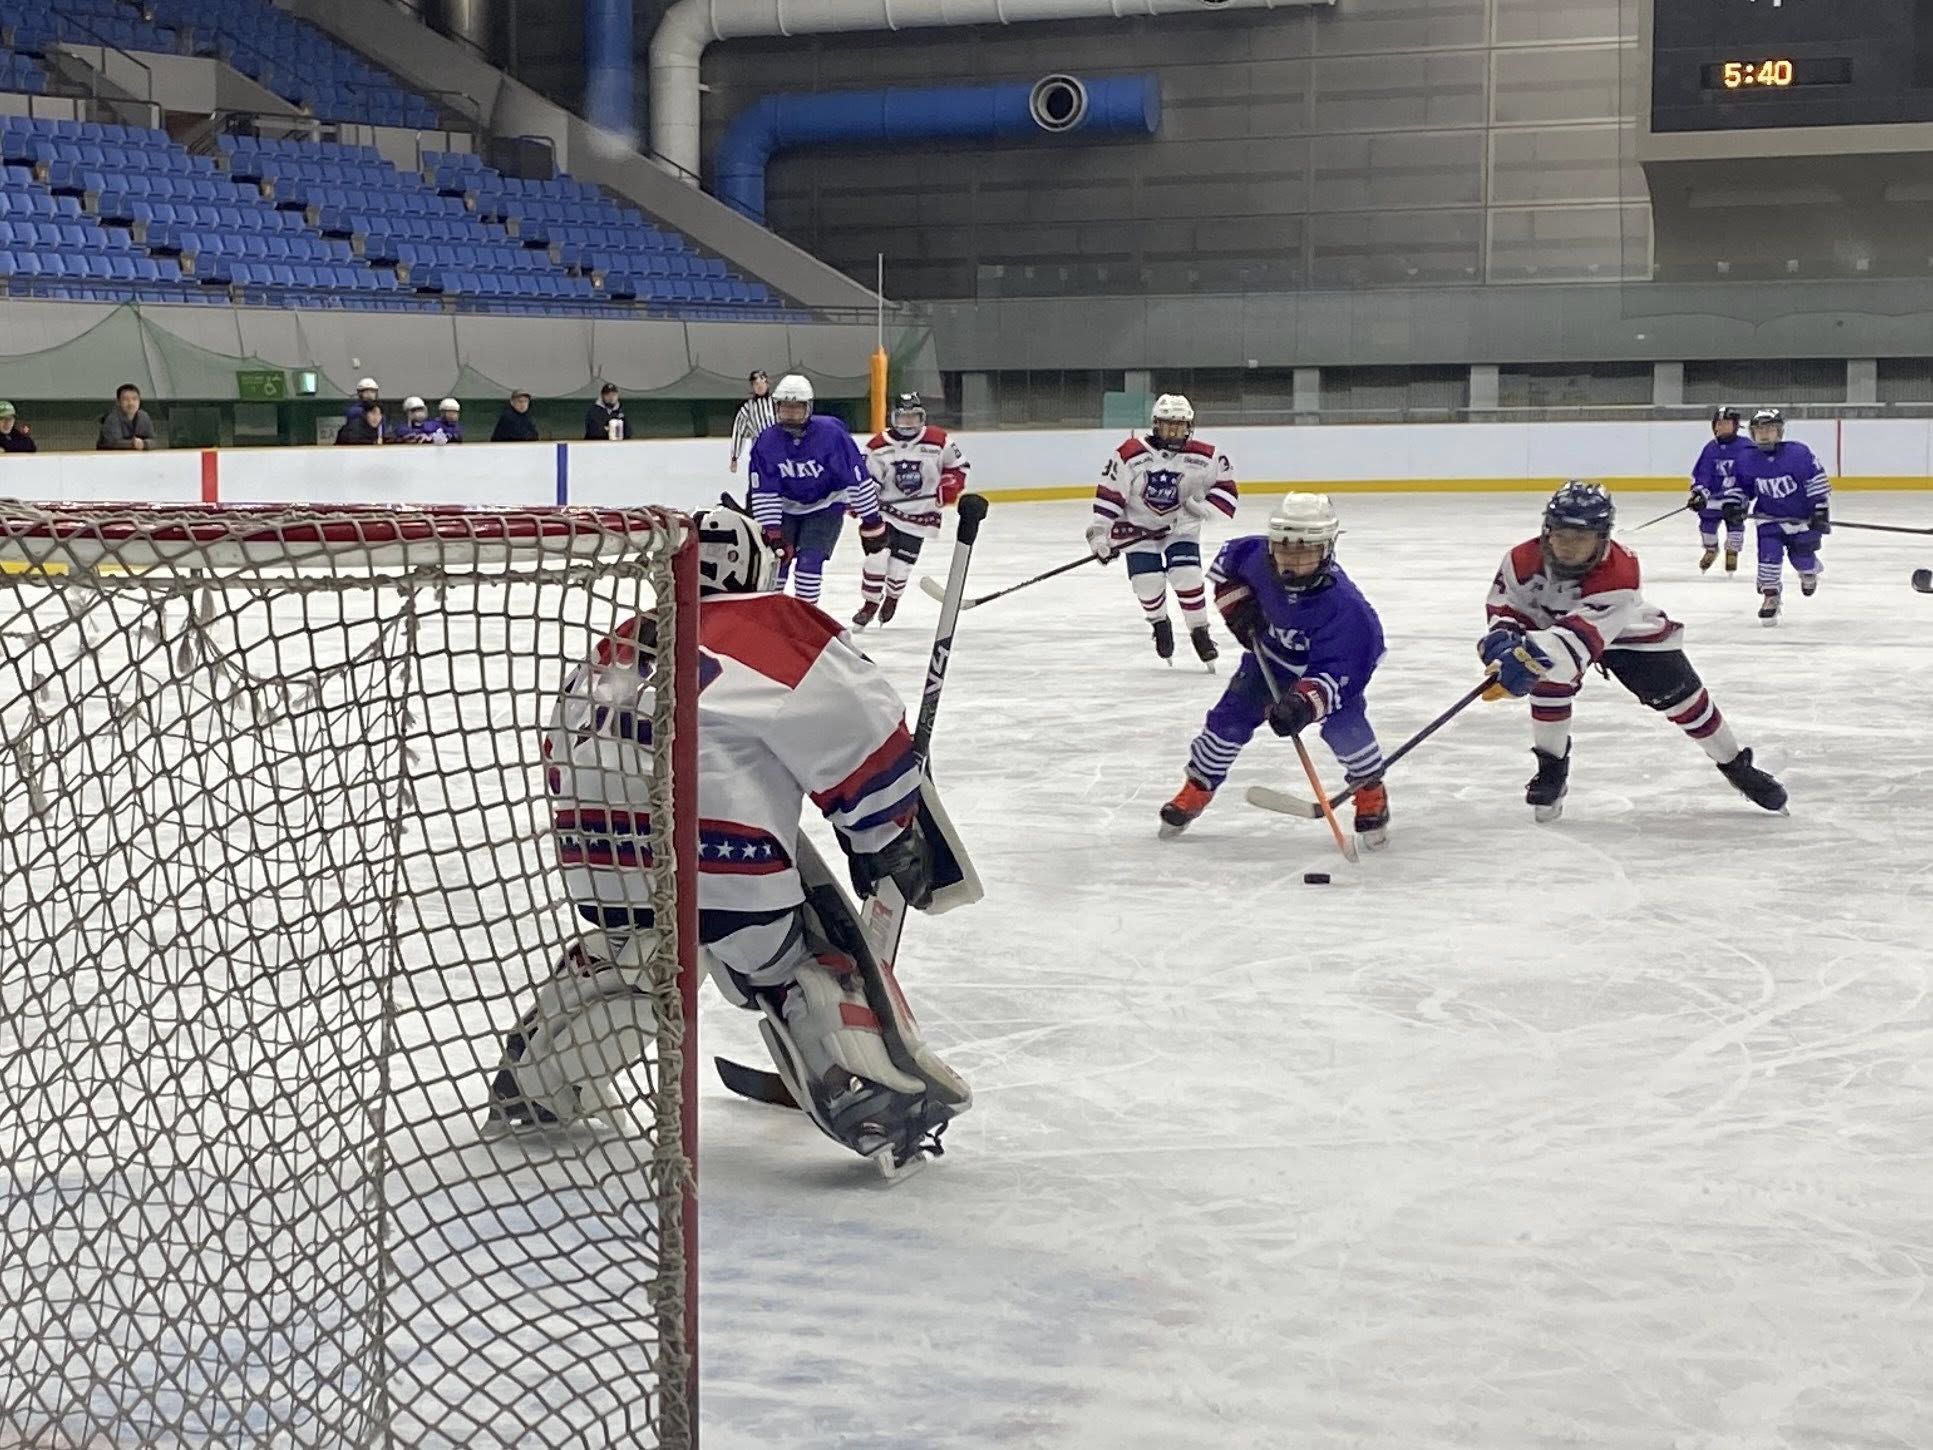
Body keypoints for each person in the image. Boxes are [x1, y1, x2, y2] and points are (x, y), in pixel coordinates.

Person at [487, 507, 978, 1174]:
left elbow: (563, 746)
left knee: (640, 953)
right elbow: (857, 730)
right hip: (720, 859)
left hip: (596, 852)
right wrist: (884, 834)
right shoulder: (773, 622)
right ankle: (873, 1102)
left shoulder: (619, 642)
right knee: (795, 961)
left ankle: (540, 1085)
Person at [1479, 481, 1787, 819]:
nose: (1567, 546)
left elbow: (1576, 642)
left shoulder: (1620, 571)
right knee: (1547, 682)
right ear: (1546, 531)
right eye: (1560, 535)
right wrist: (1502, 643)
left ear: (1602, 538)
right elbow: (1506, 609)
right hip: (1555, 633)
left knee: (1684, 698)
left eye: (1580, 538)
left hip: (1624, 632)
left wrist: (1526, 660)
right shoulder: (1520, 560)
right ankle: (1551, 767)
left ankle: (1735, 764)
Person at [1159, 494, 1390, 847]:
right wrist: (1237, 606)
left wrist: (1302, 705)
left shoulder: (1349, 613)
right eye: (1284, 549)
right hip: (1270, 660)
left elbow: (1342, 673)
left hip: (1321, 674)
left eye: (1305, 552)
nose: (1291, 562)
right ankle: (1198, 786)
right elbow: (1227, 566)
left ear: (1327, 549)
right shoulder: (1254, 555)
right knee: (1227, 721)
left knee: (1345, 728)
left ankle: (1370, 790)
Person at [1087, 394, 1238, 666]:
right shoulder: (1131, 454)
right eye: (1169, 425)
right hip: (1137, 527)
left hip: (1181, 529)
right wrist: (1100, 533)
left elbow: (1226, 492)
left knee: (1187, 575)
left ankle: (1200, 631)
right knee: (1147, 582)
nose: (1174, 432)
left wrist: (1198, 511)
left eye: (1180, 426)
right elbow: (1111, 494)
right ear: (1156, 425)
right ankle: (1159, 622)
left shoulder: (1206, 456)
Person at [746, 373, 885, 606]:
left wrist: (872, 522)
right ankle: (771, 615)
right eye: (785, 407)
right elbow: (765, 492)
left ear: (808, 408)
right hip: (785, 508)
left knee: (810, 562)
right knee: (775, 563)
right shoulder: (766, 441)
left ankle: (806, 616)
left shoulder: (832, 435)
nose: (790, 413)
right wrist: (772, 532)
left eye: (796, 408)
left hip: (826, 506)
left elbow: (856, 480)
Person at [852, 392, 968, 628]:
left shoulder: (938, 440)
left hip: (921, 516)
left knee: (900, 568)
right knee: (877, 558)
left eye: (914, 418)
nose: (909, 424)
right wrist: (862, 500)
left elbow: (959, 467)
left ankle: (892, 598)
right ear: (893, 417)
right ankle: (870, 603)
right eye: (903, 418)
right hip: (885, 513)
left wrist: (949, 485)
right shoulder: (878, 445)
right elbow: (866, 477)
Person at [1729, 408, 1831, 626]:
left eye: (1769, 429)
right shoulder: (1746, 458)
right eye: (1759, 431)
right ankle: (1771, 595)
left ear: (1779, 432)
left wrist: (1820, 510)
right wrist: (1734, 505)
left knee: (1802, 559)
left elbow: (1815, 480)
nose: (1764, 435)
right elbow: (1742, 487)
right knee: (1768, 558)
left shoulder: (1798, 454)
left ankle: (1808, 571)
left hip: (1802, 520)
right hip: (1769, 519)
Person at [1688, 406, 1749, 573]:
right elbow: (1702, 472)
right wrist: (1699, 492)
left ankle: (1732, 551)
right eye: (1719, 424)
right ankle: (1711, 549)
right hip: (1713, 497)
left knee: (1735, 522)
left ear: (1735, 426)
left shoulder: (1746, 447)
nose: (1721, 427)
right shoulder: (1711, 448)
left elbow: (1752, 473)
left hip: (1735, 496)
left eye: (1726, 423)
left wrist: (1744, 493)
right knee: (1707, 523)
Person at [728, 369, 775, 480]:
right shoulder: (747, 408)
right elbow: (738, 431)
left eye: (762, 383)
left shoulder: (777, 403)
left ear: (767, 384)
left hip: (779, 450)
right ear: (752, 387)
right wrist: (734, 456)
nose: (760, 386)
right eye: (756, 384)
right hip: (760, 452)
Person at [97, 384, 156, 451]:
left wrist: (144, 444)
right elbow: (113, 443)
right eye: (126, 399)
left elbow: (153, 441)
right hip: (110, 455)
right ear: (118, 402)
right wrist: (134, 443)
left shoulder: (144, 416)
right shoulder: (112, 418)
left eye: (134, 399)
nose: (131, 403)